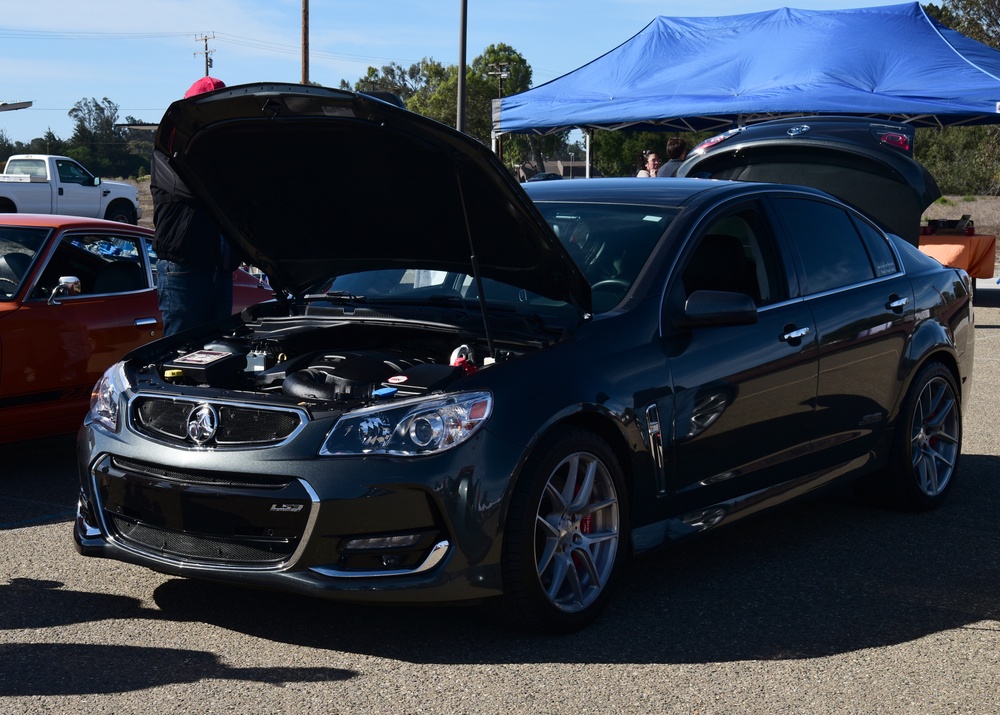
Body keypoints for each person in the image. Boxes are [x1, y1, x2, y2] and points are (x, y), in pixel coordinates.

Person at [151, 76, 240, 336]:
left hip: (220, 269)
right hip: (183, 268)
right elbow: (192, 186)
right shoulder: (166, 151)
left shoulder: (225, 154)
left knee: (216, 350)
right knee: (180, 351)